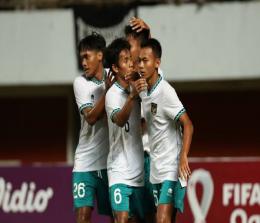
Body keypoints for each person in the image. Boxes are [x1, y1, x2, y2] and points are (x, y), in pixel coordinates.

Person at [135, 38, 194, 223]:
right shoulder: (144, 92)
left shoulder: (166, 91)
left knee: (162, 219)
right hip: (155, 168)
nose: (141, 66)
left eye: (146, 61)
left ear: (157, 63)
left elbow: (188, 124)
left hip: (172, 167)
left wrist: (183, 156)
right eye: (139, 61)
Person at [72, 32, 113, 223]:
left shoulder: (115, 77)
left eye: (86, 56)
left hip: (110, 164)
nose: (84, 63)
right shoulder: (80, 83)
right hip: (85, 163)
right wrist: (108, 91)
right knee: (82, 217)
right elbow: (91, 117)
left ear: (100, 55)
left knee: (117, 217)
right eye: (81, 58)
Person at [105, 38, 145, 223]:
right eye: (124, 60)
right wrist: (132, 97)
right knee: (121, 220)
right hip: (118, 170)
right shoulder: (111, 94)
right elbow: (120, 120)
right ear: (115, 68)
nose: (130, 62)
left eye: (130, 58)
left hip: (139, 172)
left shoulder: (138, 85)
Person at [124, 18, 156, 223]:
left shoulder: (153, 77)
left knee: (154, 217)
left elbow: (144, 120)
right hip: (126, 162)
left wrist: (149, 34)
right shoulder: (123, 78)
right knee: (128, 217)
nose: (127, 51)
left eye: (130, 46)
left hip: (150, 159)